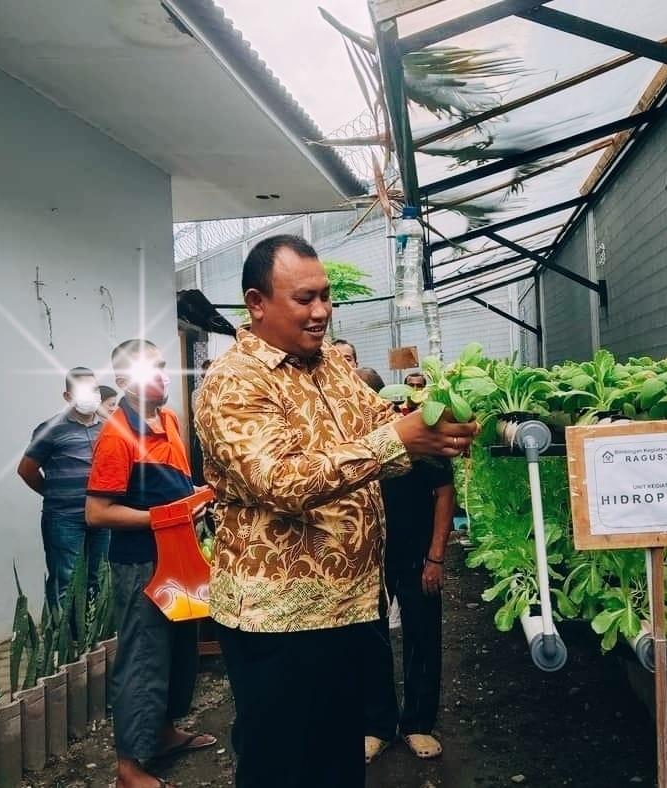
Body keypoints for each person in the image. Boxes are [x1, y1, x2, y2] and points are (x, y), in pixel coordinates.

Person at [193, 235, 477, 788]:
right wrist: (397, 440)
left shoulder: (331, 370)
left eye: (326, 296)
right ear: (256, 302)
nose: (321, 311)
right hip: (276, 624)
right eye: (304, 298)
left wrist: (433, 432)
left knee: (337, 762)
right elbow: (282, 480)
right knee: (282, 765)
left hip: (348, 609)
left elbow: (380, 434)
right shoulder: (234, 382)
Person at [85, 339, 217, 788]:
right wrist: (165, 516)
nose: (160, 375)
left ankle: (161, 734)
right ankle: (128, 767)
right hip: (141, 563)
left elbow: (176, 490)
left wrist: (198, 498)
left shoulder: (172, 419)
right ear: (123, 382)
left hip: (181, 556)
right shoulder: (115, 436)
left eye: (161, 366)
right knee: (143, 657)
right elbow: (97, 512)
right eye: (147, 370)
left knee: (180, 651)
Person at [358, 372, 455, 763]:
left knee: (422, 636)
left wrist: (436, 557)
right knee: (369, 641)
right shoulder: (345, 444)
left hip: (417, 555)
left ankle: (417, 723)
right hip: (366, 560)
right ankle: (377, 725)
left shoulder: (418, 437)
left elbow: (444, 495)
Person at [17, 367, 109, 610]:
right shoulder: (50, 429)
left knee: (98, 577)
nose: (90, 395)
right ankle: (66, 643)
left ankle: (95, 641)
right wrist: (56, 494)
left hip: (103, 516)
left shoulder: (108, 428)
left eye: (94, 389)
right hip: (64, 519)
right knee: (66, 581)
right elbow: (26, 470)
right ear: (67, 397)